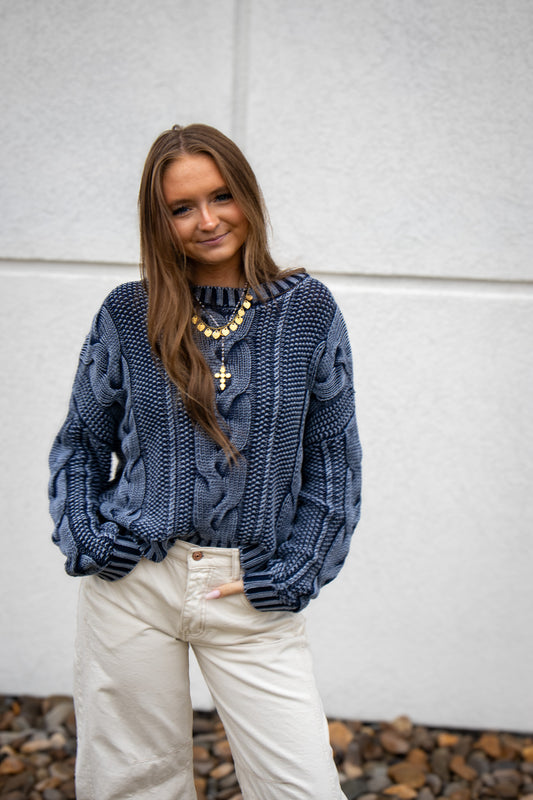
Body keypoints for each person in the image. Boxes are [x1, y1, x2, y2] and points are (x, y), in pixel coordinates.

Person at [49, 123, 362, 800]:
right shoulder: (129, 314)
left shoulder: (308, 312)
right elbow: (79, 442)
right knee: (133, 785)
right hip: (134, 587)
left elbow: (333, 464)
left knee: (301, 787)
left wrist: (297, 569)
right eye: (181, 207)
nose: (207, 220)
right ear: (158, 220)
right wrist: (90, 537)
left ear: (246, 195)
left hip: (250, 591)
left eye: (220, 196)